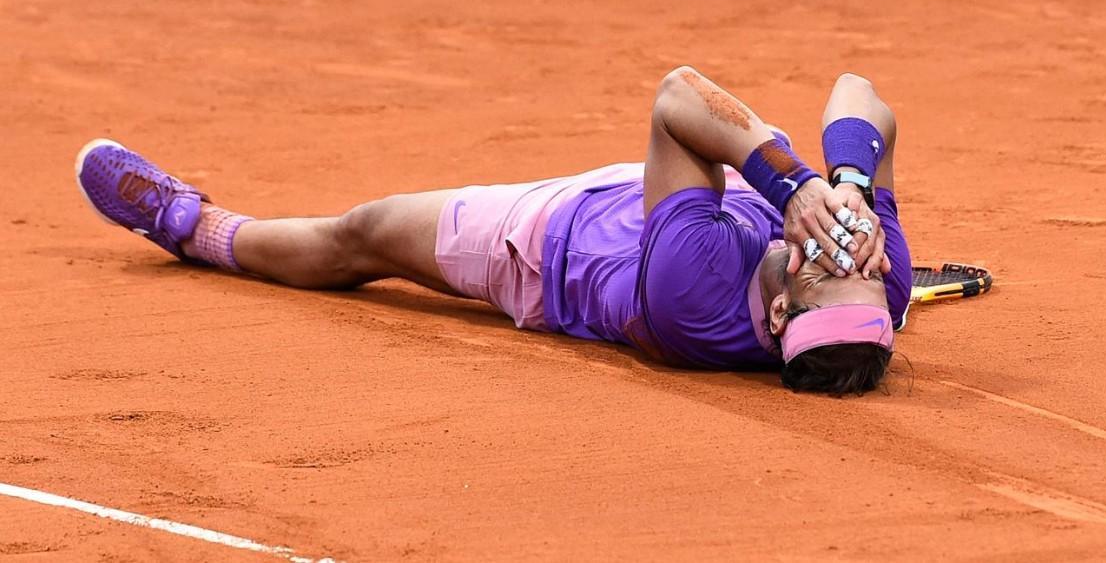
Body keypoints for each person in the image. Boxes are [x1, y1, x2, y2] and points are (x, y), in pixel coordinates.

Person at [75, 69, 911, 395]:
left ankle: (195, 227)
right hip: (686, 197)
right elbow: (859, 91)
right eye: (862, 269)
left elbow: (677, 98)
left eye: (830, 267)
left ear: (774, 321)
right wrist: (845, 184)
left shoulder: (690, 295)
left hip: (548, 246)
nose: (848, 249)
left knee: (364, 233)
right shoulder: (879, 261)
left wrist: (792, 183)